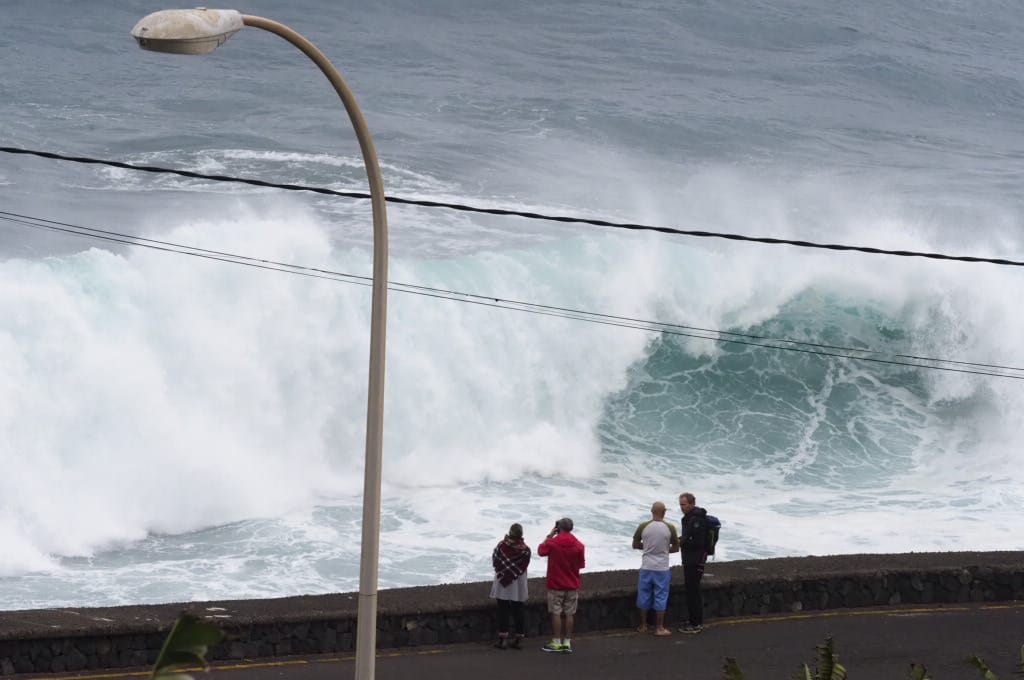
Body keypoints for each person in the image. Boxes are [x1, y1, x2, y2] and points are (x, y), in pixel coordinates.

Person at [537, 517, 586, 654]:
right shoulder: (579, 545)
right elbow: (581, 565)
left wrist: (550, 535)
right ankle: (567, 642)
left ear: (559, 528)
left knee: (556, 613)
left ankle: (556, 641)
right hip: (572, 584)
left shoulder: (553, 543)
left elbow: (541, 551)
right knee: (570, 613)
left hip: (556, 584)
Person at [632, 501, 679, 636]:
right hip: (662, 568)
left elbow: (635, 544)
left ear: (651, 511)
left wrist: (647, 547)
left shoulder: (643, 526)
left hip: (646, 566)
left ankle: (643, 625)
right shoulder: (670, 528)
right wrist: (663, 549)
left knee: (644, 594)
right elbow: (676, 548)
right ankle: (659, 628)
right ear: (664, 512)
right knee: (661, 596)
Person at [490, 522, 531, 649]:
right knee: (518, 611)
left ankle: (503, 640)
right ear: (521, 535)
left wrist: (504, 572)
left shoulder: (501, 546)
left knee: (503, 611)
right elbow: (523, 567)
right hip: (518, 584)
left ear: (510, 532)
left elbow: (495, 561)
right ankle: (518, 640)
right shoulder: (526, 550)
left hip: (503, 584)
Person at [678, 492, 710, 634]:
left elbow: (698, 542)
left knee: (693, 591)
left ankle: (696, 624)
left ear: (691, 504)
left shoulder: (697, 519)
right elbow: (688, 537)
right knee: (691, 591)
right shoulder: (689, 518)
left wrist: (682, 543)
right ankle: (694, 620)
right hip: (690, 559)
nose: (681, 507)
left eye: (683, 504)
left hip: (695, 560)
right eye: (680, 504)